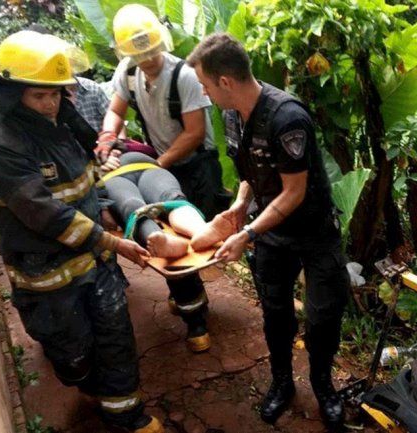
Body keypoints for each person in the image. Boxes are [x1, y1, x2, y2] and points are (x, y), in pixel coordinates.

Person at [0, 30, 163, 433]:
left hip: (95, 260)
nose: (51, 103)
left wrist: (108, 213)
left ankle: (125, 413)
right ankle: (88, 384)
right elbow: (46, 213)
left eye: (56, 94)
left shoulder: (62, 125)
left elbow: (86, 181)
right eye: (40, 95)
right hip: (48, 275)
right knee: (73, 355)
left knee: (115, 335)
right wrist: (112, 241)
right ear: (11, 91)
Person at [187, 33, 350, 429]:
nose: (205, 95)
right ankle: (281, 383)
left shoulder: (287, 117)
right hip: (271, 233)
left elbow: (293, 193)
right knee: (276, 314)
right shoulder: (231, 116)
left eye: (206, 86)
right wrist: (240, 206)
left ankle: (323, 385)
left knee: (323, 315)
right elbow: (249, 173)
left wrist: (248, 234)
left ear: (225, 82)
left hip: (312, 231)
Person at [99, 4, 229, 353]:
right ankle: (190, 300)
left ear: (161, 44)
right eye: (138, 54)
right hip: (158, 163)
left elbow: (194, 132)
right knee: (154, 209)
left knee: (176, 221)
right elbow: (115, 110)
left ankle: (193, 308)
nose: (146, 59)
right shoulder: (128, 74)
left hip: (194, 162)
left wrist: (159, 164)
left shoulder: (184, 75)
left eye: (151, 52)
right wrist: (108, 139)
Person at [101, 152, 234, 258]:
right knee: (132, 206)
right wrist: (102, 207)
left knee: (172, 197)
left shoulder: (110, 131)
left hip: (148, 167)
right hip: (111, 177)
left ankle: (201, 231)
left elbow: (115, 122)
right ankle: (162, 240)